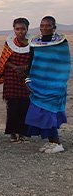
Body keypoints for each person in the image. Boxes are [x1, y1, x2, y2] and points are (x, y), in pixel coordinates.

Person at [25, 16, 71, 154]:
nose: (44, 28)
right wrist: (27, 79)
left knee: (50, 114)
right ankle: (51, 141)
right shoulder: (34, 42)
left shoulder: (61, 43)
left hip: (55, 85)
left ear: (54, 27)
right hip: (38, 84)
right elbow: (31, 60)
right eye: (42, 25)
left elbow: (64, 64)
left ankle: (57, 143)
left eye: (48, 25)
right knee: (39, 113)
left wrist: (59, 82)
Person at [0, 18, 31, 142]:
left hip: (26, 77)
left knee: (25, 105)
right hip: (11, 77)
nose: (20, 31)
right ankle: (12, 132)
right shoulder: (9, 43)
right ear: (14, 29)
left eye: (23, 29)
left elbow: (34, 60)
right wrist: (16, 67)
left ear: (27, 29)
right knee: (12, 106)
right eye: (17, 29)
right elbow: (5, 60)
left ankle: (22, 133)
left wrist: (23, 67)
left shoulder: (33, 43)